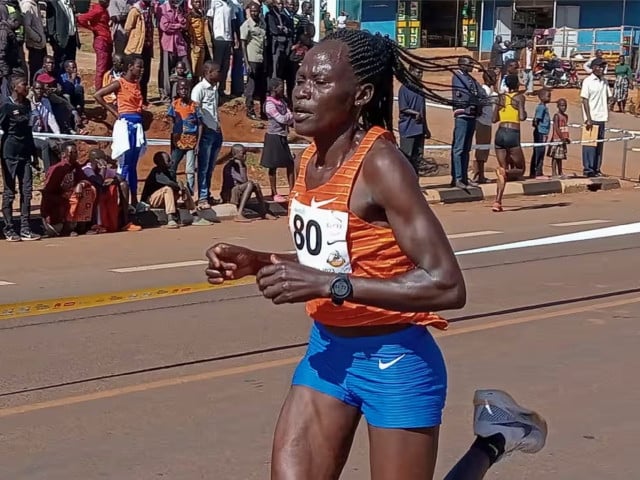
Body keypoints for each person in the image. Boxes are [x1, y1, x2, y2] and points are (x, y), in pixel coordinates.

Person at [205, 29, 546, 479]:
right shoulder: (309, 158)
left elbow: (447, 284)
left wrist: (330, 286)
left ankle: (496, 438)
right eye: (301, 78)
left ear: (360, 94)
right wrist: (260, 260)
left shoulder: (381, 164)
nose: (302, 91)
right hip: (327, 352)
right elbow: (334, 258)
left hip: (395, 360)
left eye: (320, 82)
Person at [95, 55, 147, 206]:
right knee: (124, 165)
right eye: (139, 66)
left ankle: (134, 200)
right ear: (130, 66)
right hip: (126, 126)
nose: (141, 70)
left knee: (133, 165)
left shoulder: (136, 84)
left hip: (137, 127)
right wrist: (115, 112)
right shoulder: (119, 83)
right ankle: (119, 201)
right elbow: (98, 95)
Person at [1, 76, 40, 242]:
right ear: (15, 87)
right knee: (10, 191)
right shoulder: (6, 106)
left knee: (27, 190)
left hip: (25, 153)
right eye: (24, 84)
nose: (27, 87)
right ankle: (9, 228)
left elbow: (29, 131)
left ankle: (25, 228)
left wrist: (34, 154)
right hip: (9, 152)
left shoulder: (27, 105)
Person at [141, 152, 212, 227]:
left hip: (163, 200)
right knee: (167, 189)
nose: (171, 162)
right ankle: (170, 218)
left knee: (183, 188)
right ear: (160, 162)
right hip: (151, 201)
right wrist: (179, 186)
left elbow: (175, 185)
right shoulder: (156, 172)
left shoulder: (168, 172)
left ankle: (195, 215)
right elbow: (169, 183)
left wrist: (182, 189)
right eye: (168, 160)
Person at [41, 142, 97, 237]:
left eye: (76, 152)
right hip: (55, 209)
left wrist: (80, 184)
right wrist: (63, 199)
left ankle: (82, 226)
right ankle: (66, 228)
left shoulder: (75, 166)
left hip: (68, 200)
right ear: (64, 154)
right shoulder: (57, 169)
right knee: (73, 195)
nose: (75, 155)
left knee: (89, 190)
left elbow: (85, 179)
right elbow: (47, 193)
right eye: (72, 153)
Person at [191, 60, 223, 209]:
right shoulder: (199, 89)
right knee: (203, 167)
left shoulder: (215, 88)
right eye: (217, 71)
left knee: (210, 167)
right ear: (208, 72)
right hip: (206, 133)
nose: (219, 74)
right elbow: (196, 113)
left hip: (216, 131)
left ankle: (207, 194)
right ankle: (202, 198)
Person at [492, 74, 526, 212]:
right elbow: (522, 117)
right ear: (517, 85)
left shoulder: (501, 97)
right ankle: (505, 172)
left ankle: (497, 201)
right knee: (521, 169)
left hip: (500, 133)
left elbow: (494, 119)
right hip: (512, 133)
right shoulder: (519, 97)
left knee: (502, 167)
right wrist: (519, 108)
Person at [220, 144, 277, 222]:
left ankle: (264, 212)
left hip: (238, 191)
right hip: (229, 194)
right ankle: (239, 214)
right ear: (235, 154)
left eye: (245, 153)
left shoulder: (242, 164)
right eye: (242, 154)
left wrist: (242, 166)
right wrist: (240, 166)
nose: (245, 156)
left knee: (255, 185)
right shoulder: (230, 166)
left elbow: (244, 182)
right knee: (250, 184)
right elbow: (244, 181)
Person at [260, 77, 294, 201]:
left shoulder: (283, 102)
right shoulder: (269, 104)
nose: (283, 88)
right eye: (280, 86)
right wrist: (288, 116)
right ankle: (274, 193)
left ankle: (292, 190)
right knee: (273, 166)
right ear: (274, 89)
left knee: (290, 164)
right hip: (273, 137)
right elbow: (282, 119)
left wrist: (288, 116)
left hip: (282, 136)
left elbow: (290, 117)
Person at [167, 78, 202, 195]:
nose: (183, 91)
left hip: (192, 142)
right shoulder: (174, 105)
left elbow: (200, 124)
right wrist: (172, 138)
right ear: (177, 91)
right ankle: (174, 190)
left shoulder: (195, 106)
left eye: (186, 89)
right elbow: (171, 122)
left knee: (190, 170)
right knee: (172, 166)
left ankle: (190, 193)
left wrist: (198, 143)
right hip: (178, 142)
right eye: (181, 89)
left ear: (190, 90)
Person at [451, 56, 482, 188]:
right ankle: (457, 178)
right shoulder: (457, 77)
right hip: (462, 115)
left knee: (466, 149)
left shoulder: (471, 78)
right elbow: (466, 94)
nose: (471, 66)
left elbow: (480, 92)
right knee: (459, 149)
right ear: (462, 65)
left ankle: (464, 177)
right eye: (469, 64)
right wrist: (475, 99)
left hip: (472, 116)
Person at [580, 58, 610, 177]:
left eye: (603, 67)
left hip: (602, 117)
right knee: (589, 145)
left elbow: (608, 96)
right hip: (591, 118)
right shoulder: (587, 81)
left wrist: (612, 100)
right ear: (593, 68)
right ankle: (588, 169)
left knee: (599, 145)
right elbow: (584, 100)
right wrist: (588, 118)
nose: (602, 69)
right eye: (599, 66)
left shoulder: (604, 81)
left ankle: (597, 168)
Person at [398, 65, 429, 175]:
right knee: (407, 158)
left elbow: (423, 110)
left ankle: (415, 183)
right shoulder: (404, 88)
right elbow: (403, 108)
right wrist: (416, 113)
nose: (420, 75)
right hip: (408, 129)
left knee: (417, 158)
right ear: (411, 72)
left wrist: (426, 128)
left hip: (419, 129)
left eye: (421, 72)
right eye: (418, 72)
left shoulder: (420, 88)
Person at [76, 0, 113, 91]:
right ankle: (99, 91)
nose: (108, 3)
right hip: (101, 41)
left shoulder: (103, 9)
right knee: (101, 68)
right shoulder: (98, 10)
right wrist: (92, 29)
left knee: (108, 67)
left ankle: (105, 89)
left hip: (106, 40)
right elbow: (81, 19)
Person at [240, 1, 267, 120]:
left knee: (262, 87)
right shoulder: (246, 25)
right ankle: (250, 111)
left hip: (261, 59)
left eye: (256, 11)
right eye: (252, 11)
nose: (254, 13)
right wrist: (246, 63)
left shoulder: (262, 24)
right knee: (251, 87)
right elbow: (243, 44)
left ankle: (263, 111)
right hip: (251, 59)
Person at [473, 70, 497, 184]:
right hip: (483, 122)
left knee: (483, 149)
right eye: (494, 77)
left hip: (485, 122)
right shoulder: (485, 91)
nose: (496, 79)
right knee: (482, 149)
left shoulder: (488, 90)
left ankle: (480, 174)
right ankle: (479, 175)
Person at [530, 88, 551, 179]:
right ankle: (537, 172)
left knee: (539, 152)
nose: (550, 98)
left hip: (543, 132)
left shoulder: (544, 107)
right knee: (539, 152)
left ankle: (536, 172)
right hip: (540, 133)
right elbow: (536, 120)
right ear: (542, 97)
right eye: (548, 96)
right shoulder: (541, 107)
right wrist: (538, 130)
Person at [548, 98, 570, 178]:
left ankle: (560, 172)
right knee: (555, 157)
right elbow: (556, 128)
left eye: (565, 106)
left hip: (563, 139)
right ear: (558, 106)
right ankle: (554, 173)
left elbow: (564, 128)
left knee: (560, 157)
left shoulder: (566, 116)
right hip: (556, 139)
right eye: (561, 105)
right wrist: (561, 137)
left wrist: (566, 138)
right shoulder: (556, 116)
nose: (563, 107)